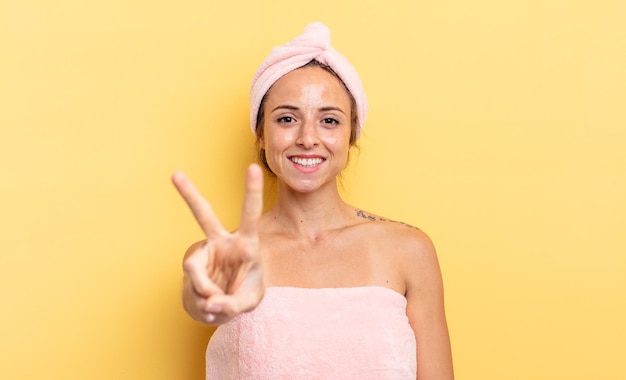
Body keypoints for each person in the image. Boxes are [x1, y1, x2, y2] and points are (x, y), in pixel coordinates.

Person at [172, 22, 453, 380]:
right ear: (261, 134)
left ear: (351, 135)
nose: (307, 138)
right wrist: (203, 299)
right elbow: (199, 303)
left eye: (329, 121)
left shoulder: (409, 250)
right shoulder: (221, 256)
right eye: (287, 118)